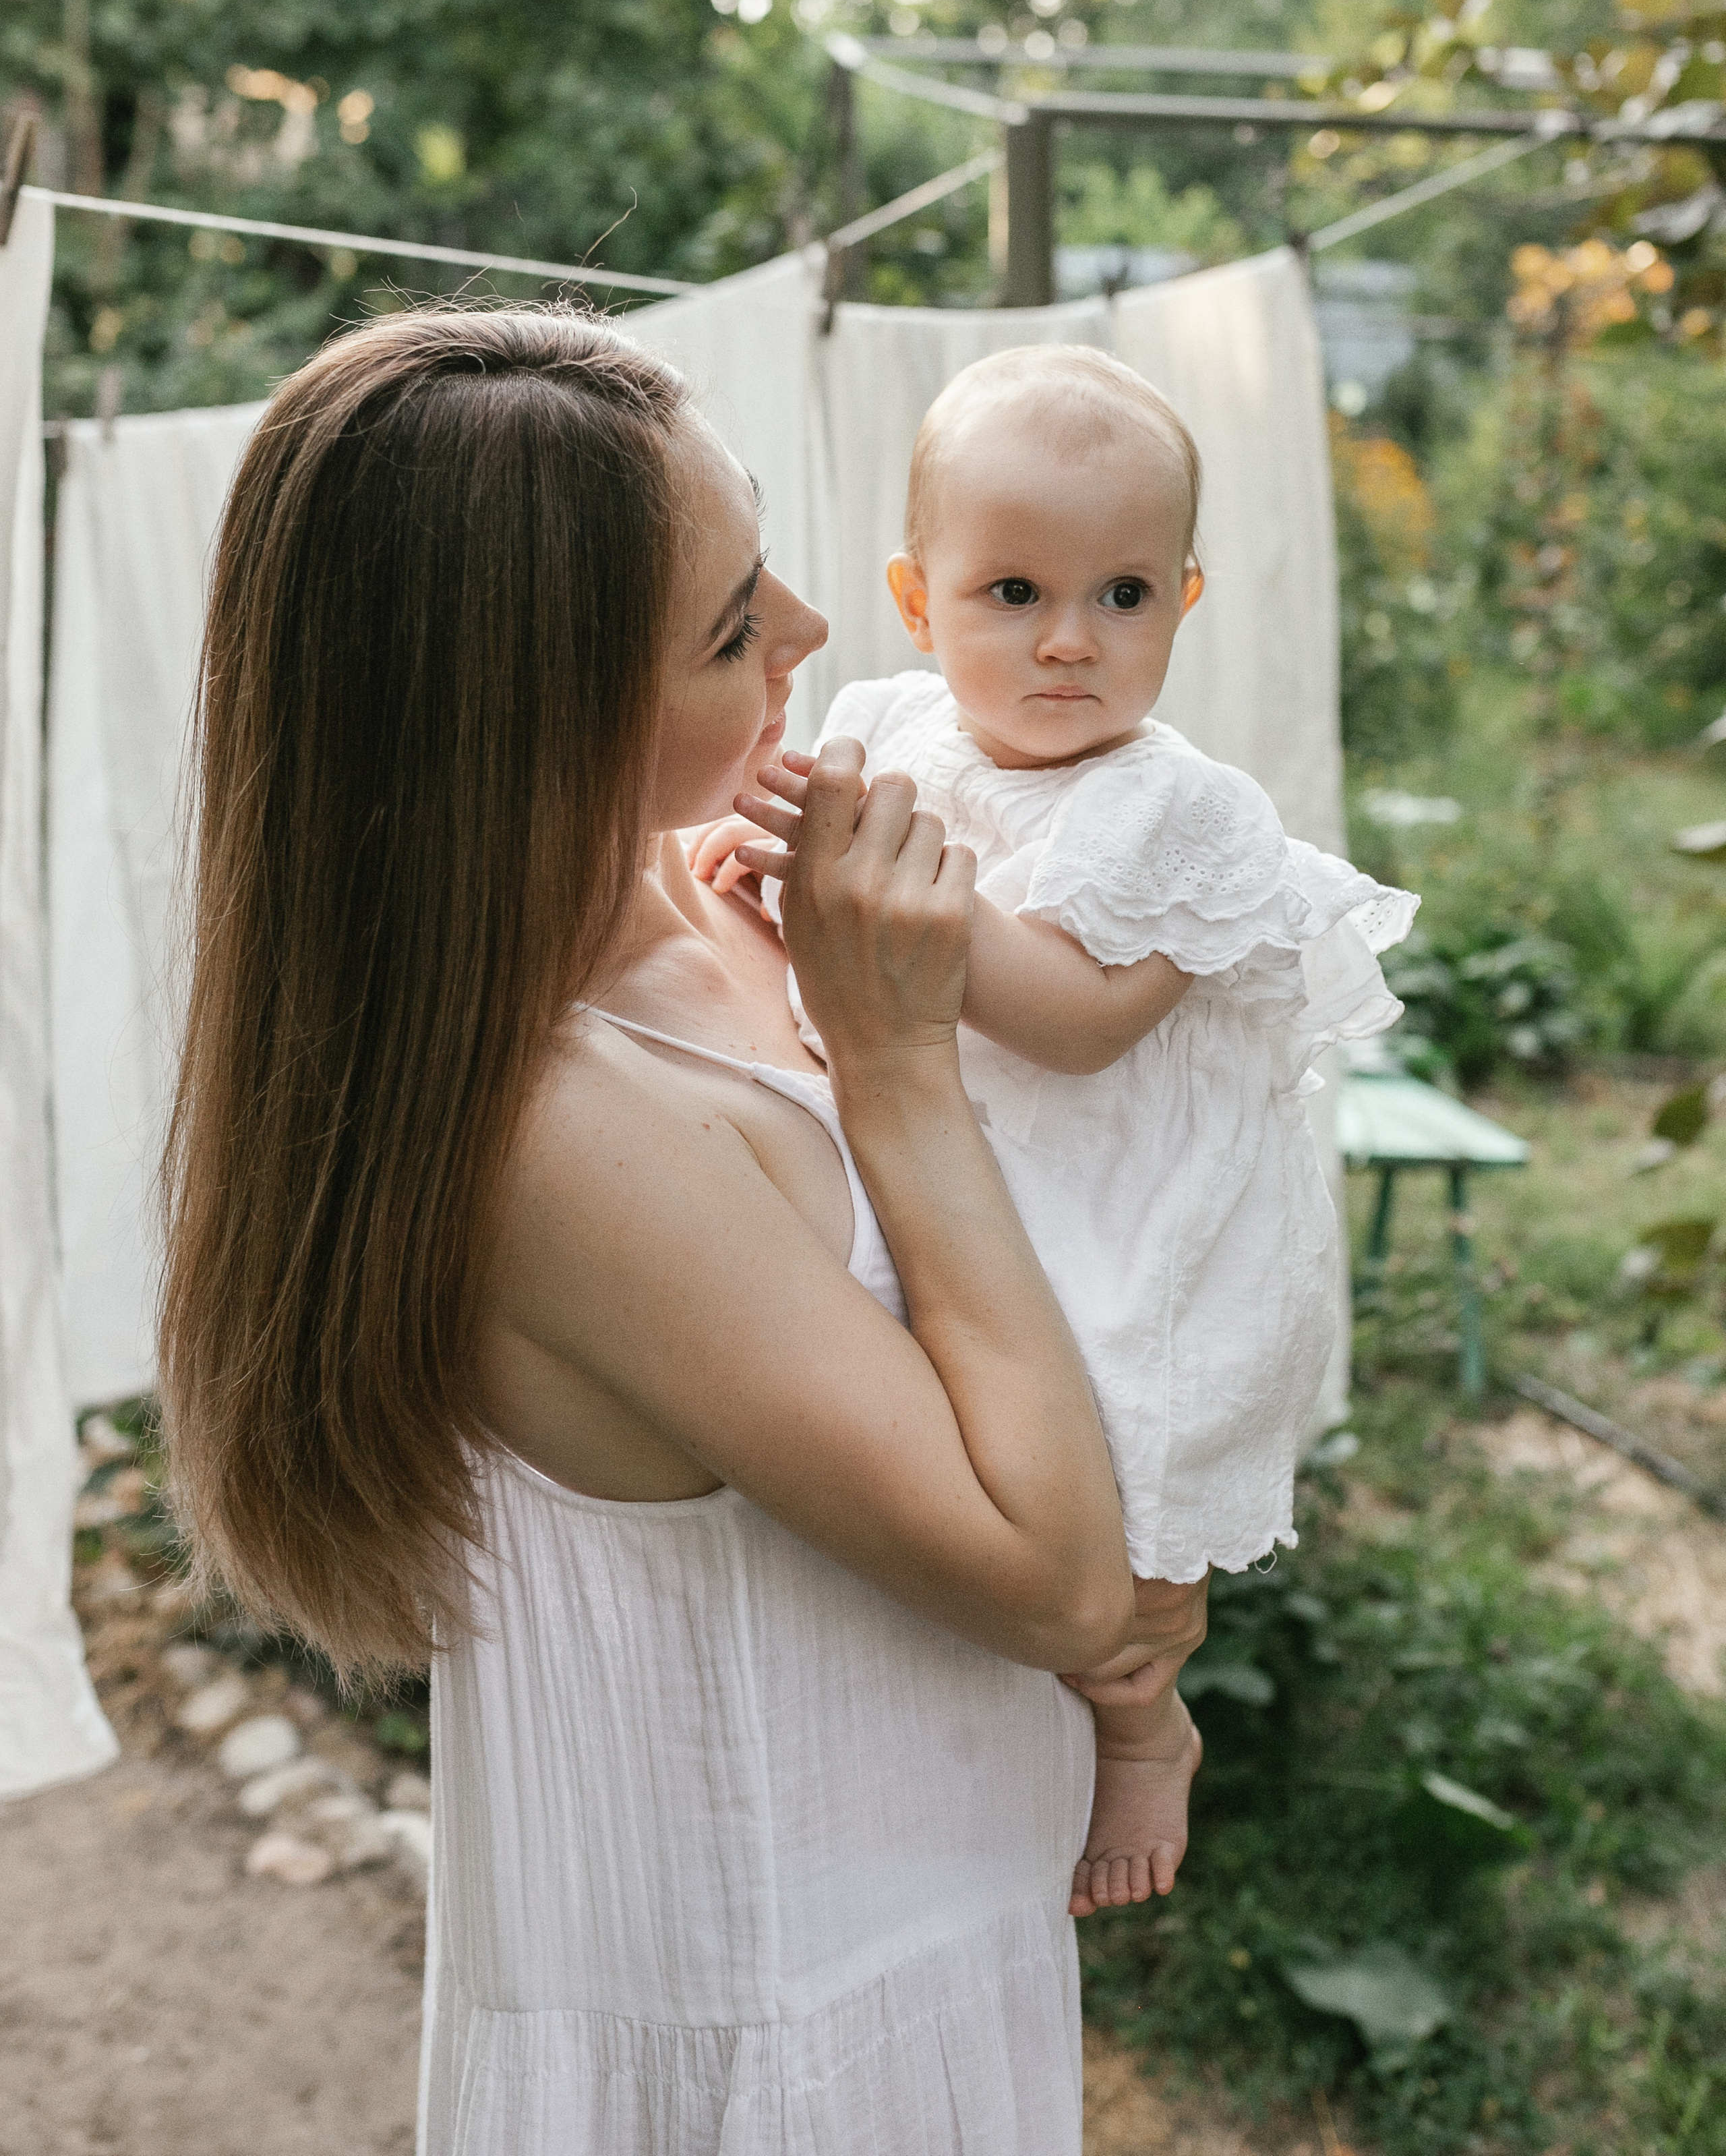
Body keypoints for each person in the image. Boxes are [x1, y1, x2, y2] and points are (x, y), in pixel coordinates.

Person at [157, 308, 1203, 2156]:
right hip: (772, 2045)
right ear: (533, 714)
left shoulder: (696, 896)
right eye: (734, 628)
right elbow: (1052, 1585)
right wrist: (895, 1063)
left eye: (767, 562)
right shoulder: (549, 1134)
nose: (813, 631)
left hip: (920, 1947)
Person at [696, 342, 1418, 1913]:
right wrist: (764, 871)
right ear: (914, 599)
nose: (1070, 642)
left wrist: (872, 901)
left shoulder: (1184, 811)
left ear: (1184, 598)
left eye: (1122, 596)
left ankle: (1146, 1722)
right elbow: (822, 916)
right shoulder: (887, 726)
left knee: (1119, 1502)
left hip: (1135, 1214)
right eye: (1012, 593)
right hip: (969, 1174)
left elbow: (1088, 1025)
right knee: (950, 1442)